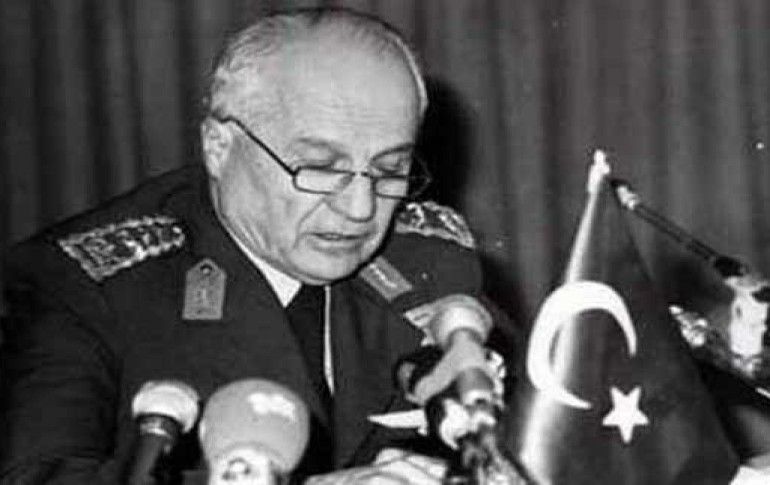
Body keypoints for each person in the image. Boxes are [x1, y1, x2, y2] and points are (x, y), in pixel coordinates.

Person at [0, 7, 516, 484]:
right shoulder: (83, 285)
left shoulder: (432, 262)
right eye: (320, 168)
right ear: (219, 146)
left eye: (389, 170)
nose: (360, 208)